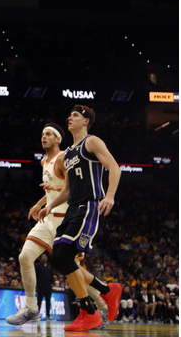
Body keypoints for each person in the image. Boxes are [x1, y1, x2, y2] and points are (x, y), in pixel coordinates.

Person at [38, 105, 123, 332]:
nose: (70, 118)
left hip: (90, 206)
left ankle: (88, 311)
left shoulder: (92, 142)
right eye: (69, 115)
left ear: (86, 121)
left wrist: (110, 196)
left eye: (75, 115)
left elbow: (115, 168)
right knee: (57, 259)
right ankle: (107, 290)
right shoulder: (68, 153)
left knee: (64, 254)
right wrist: (49, 206)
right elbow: (67, 188)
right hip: (73, 208)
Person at [7, 123, 68, 325]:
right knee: (25, 256)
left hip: (64, 219)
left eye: (48, 134)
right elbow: (49, 190)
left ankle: (101, 305)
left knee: (73, 269)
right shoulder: (44, 162)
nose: (44, 137)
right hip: (47, 217)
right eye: (42, 134)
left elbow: (74, 188)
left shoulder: (64, 158)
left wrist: (55, 188)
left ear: (58, 139)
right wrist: (38, 203)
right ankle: (32, 308)